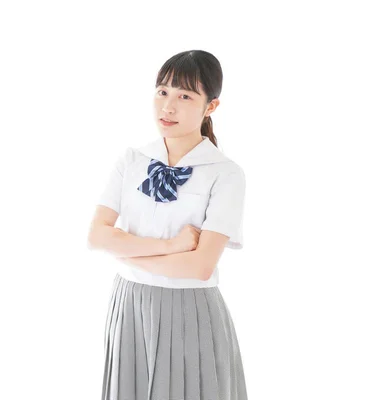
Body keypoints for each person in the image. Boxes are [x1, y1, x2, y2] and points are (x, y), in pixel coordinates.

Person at [87, 50, 248, 400]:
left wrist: (125, 250)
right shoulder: (132, 159)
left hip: (191, 310)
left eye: (185, 96)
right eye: (163, 92)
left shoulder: (225, 174)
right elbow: (97, 235)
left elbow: (201, 266)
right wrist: (170, 246)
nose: (168, 107)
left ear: (211, 106)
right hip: (129, 305)